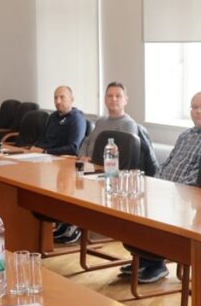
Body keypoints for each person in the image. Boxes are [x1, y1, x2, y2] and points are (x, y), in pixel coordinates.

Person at [124, 91, 201, 283]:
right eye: (194, 107)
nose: (198, 111)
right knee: (131, 202)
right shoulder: (186, 135)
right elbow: (167, 164)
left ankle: (155, 262)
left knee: (153, 208)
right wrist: (154, 183)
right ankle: (144, 258)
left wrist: (171, 190)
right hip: (166, 190)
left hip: (189, 199)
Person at [54, 82, 140, 245]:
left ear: (126, 100)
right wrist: (82, 156)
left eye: (118, 96)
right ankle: (65, 220)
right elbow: (87, 141)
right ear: (105, 99)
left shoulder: (128, 124)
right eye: (110, 96)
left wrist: (93, 162)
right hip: (90, 168)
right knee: (63, 178)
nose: (113, 99)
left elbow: (123, 156)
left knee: (78, 184)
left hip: (109, 175)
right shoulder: (101, 121)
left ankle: (75, 225)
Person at [30, 85, 86, 156]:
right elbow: (43, 138)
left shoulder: (77, 119)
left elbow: (73, 148)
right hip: (42, 155)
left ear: (72, 99)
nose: (58, 101)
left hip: (58, 158)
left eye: (62, 97)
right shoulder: (53, 116)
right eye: (55, 98)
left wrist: (45, 151)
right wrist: (33, 148)